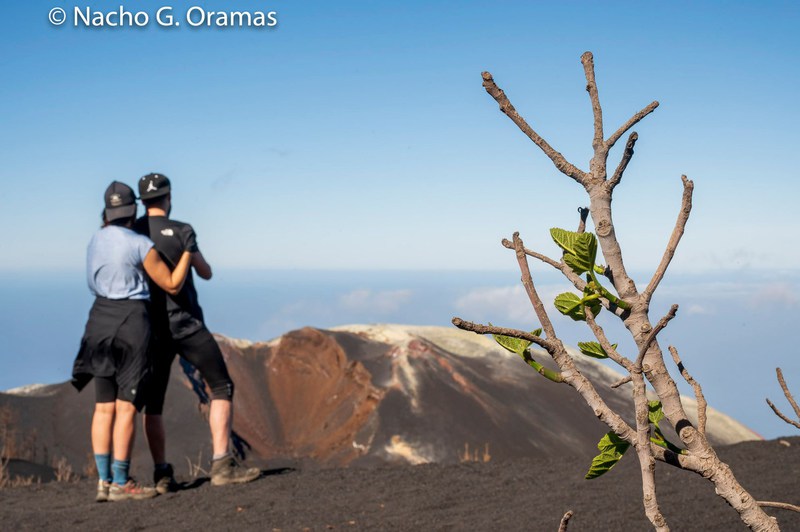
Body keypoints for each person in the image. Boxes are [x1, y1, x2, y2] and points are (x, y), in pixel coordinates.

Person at [133, 172, 260, 491]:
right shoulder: (182, 230)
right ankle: (222, 465)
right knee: (221, 386)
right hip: (188, 325)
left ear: (142, 201)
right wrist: (188, 250)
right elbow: (206, 272)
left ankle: (162, 474)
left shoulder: (133, 232)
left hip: (152, 329)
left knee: (154, 404)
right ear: (168, 197)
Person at [72, 181, 192, 502]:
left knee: (103, 407)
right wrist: (187, 252)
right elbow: (171, 284)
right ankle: (122, 482)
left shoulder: (95, 240)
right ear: (132, 210)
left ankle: (103, 481)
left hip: (98, 319)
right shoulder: (140, 244)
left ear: (107, 212)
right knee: (127, 407)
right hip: (132, 322)